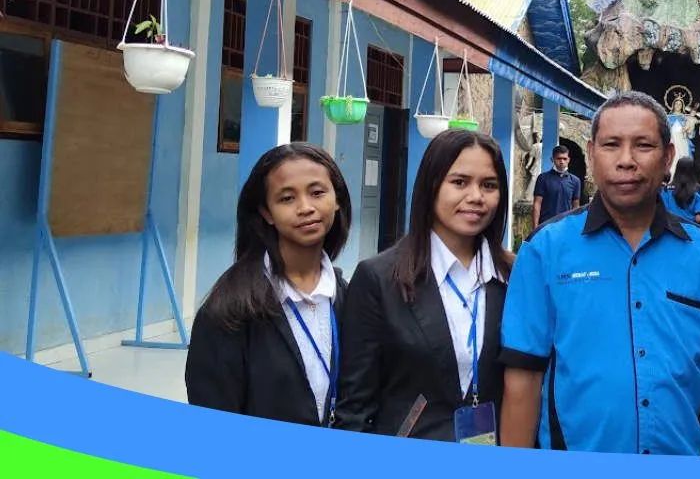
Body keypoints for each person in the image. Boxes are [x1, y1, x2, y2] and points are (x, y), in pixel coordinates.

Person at [499, 90, 700, 455]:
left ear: (668, 157)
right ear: (592, 152)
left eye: (643, 145)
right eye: (611, 145)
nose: (626, 161)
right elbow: (523, 376)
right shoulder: (545, 250)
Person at [334, 130, 514, 442]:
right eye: (459, 182)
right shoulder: (379, 279)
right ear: (431, 186)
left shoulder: (514, 276)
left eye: (489, 185)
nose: (476, 197)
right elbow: (355, 407)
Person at [185, 142, 352, 427]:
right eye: (287, 199)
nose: (306, 208)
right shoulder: (228, 312)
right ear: (266, 213)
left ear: (337, 199)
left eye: (317, 192)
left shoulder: (349, 296)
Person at [532, 145, 581, 227]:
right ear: (552, 159)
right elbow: (537, 203)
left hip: (565, 226)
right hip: (546, 226)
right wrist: (535, 227)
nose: (562, 161)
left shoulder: (575, 181)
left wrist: (574, 227)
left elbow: (575, 207)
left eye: (564, 159)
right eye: (559, 158)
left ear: (568, 160)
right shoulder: (543, 178)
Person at [662, 157, 700, 225]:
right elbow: (698, 219)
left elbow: (662, 212)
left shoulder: (666, 189)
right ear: (693, 171)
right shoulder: (699, 191)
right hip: (691, 230)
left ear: (677, 170)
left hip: (670, 229)